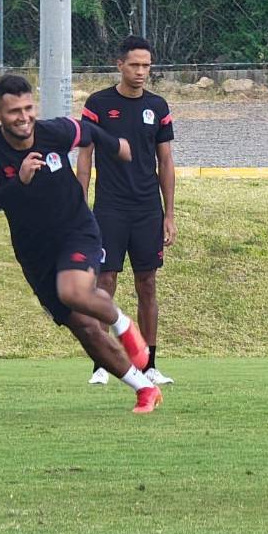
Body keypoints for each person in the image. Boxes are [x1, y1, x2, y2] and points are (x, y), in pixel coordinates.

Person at [0, 74, 162, 413]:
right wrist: (21, 181)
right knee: (85, 329)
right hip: (35, 255)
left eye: (28, 108)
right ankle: (144, 388)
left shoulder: (53, 131)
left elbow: (86, 131)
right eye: (14, 111)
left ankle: (124, 326)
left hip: (76, 230)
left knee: (73, 291)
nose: (24, 117)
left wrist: (117, 147)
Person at [78, 35, 177, 387]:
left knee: (147, 284)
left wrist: (169, 214)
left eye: (146, 66)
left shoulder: (158, 107)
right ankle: (101, 364)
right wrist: (79, 207)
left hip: (147, 209)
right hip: (109, 208)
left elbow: (165, 162)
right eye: (134, 65)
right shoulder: (98, 105)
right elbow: (86, 158)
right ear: (119, 65)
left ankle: (149, 365)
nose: (141, 72)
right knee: (104, 282)